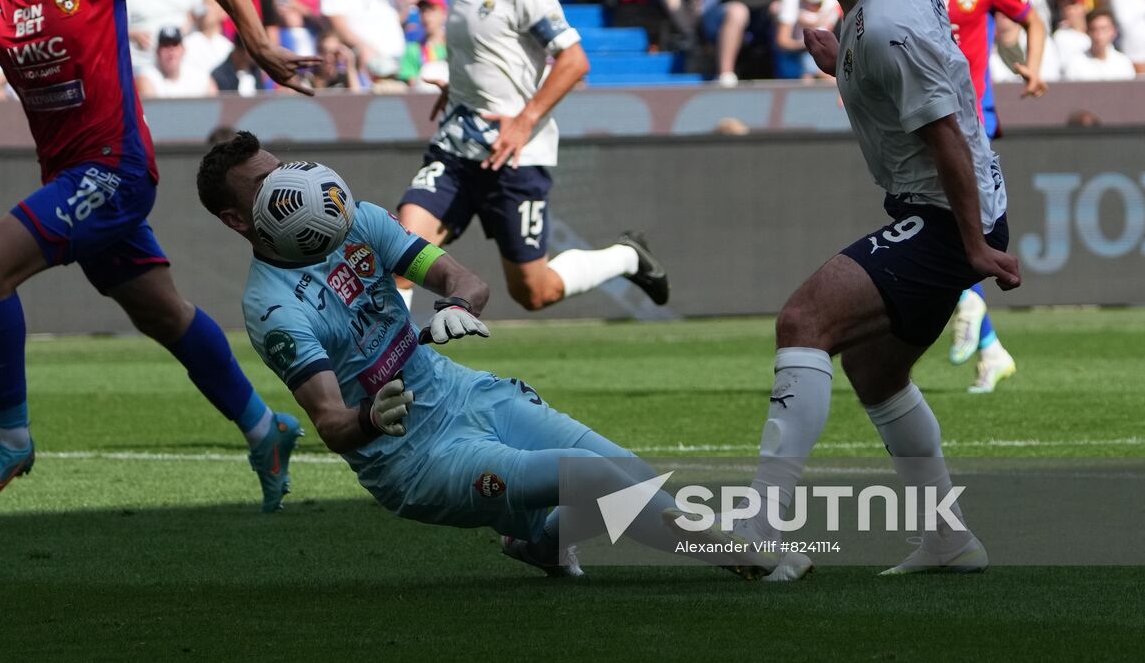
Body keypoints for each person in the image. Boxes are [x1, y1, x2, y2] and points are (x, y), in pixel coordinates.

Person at [0, 0, 320, 510]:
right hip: (71, 177)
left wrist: (262, 46)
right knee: (163, 314)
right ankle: (265, 429)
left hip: (116, 169)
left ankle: (12, 435)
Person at [202, 135, 747, 578]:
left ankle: (542, 542)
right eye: (264, 185)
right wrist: (370, 415)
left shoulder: (356, 220)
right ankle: (740, 557)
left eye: (281, 172)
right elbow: (332, 423)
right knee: (591, 476)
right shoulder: (270, 306)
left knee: (627, 472)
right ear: (236, 220)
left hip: (462, 392)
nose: (287, 187)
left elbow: (464, 278)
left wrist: (456, 304)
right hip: (414, 460)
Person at [747, 0, 1020, 578]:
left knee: (803, 321)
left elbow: (947, 138)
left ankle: (759, 526)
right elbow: (909, 87)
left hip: (946, 217)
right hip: (943, 210)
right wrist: (844, 66)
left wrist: (972, 250)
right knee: (875, 370)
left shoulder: (889, 20)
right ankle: (947, 539)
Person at [396, 0, 669, 316]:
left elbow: (575, 61)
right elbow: (493, 59)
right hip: (456, 149)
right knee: (402, 253)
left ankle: (626, 256)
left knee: (533, 292)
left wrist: (524, 120)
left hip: (515, 157)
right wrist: (457, 86)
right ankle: (393, 378)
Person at [914, 0, 1045, 393]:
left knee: (958, 215)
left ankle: (970, 302)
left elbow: (1032, 19)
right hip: (920, 117)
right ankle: (991, 348)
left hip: (973, 116)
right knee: (945, 221)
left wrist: (1032, 69)